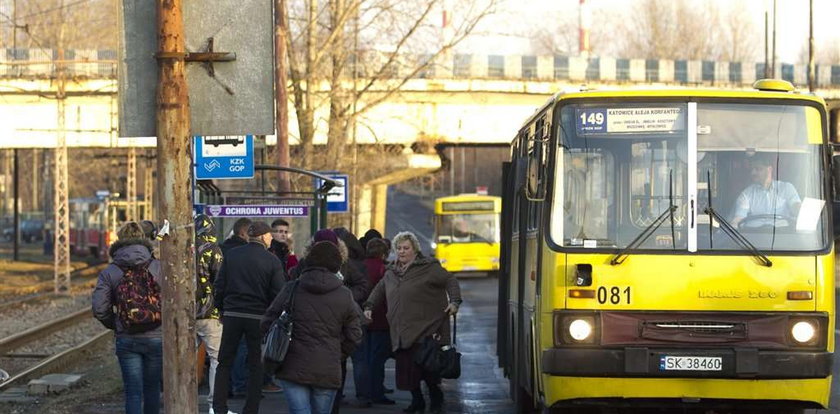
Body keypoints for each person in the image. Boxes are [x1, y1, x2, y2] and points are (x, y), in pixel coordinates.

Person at [363, 231, 461, 414]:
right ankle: (418, 402)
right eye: (398, 248)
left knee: (428, 372)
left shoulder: (429, 268)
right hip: (401, 332)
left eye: (406, 248)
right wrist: (369, 306)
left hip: (426, 330)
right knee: (407, 373)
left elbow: (450, 280)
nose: (401, 252)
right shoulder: (391, 272)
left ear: (415, 249)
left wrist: (454, 302)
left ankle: (436, 399)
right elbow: (379, 290)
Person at [261, 241, 363, 414]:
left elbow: (267, 321)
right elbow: (355, 334)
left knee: (300, 411)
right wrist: (338, 353)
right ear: (337, 263)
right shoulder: (345, 295)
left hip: (292, 364)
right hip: (327, 367)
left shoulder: (292, 289)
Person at [212, 221, 286, 414]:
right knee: (255, 364)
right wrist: (272, 318)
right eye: (269, 235)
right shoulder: (272, 261)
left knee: (224, 361)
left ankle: (219, 407)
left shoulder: (232, 255)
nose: (271, 239)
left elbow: (220, 285)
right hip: (258, 317)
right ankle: (251, 408)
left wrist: (220, 309)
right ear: (262, 237)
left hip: (232, 314)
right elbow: (278, 294)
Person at [92, 221, 163, 414]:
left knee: (133, 392)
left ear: (119, 241)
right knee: (153, 389)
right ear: (143, 239)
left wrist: (116, 324)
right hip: (156, 336)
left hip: (127, 337)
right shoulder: (158, 267)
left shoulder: (110, 271)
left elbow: (99, 308)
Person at [219, 217, 254, 398]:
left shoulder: (223, 250)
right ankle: (240, 385)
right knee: (242, 349)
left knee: (226, 350)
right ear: (244, 233)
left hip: (228, 308)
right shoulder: (245, 253)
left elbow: (220, 283)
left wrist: (219, 307)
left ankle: (227, 387)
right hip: (246, 308)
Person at [359, 238, 394, 406]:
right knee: (378, 359)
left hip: (363, 317)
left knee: (365, 359)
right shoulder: (385, 269)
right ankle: (377, 392)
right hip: (381, 319)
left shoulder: (361, 266)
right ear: (383, 252)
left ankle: (366, 392)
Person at [194, 214, 224, 407]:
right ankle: (214, 404)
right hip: (210, 312)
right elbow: (220, 281)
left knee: (186, 358)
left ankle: (185, 400)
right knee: (216, 359)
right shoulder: (214, 250)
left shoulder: (185, 249)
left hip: (186, 312)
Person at [731, 155, 801, 228]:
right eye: (752, 169)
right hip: (752, 236)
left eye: (758, 169)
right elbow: (739, 218)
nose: (753, 173)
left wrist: (801, 211)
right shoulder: (746, 194)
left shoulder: (786, 188)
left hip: (781, 235)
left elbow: (796, 207)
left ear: (769, 169)